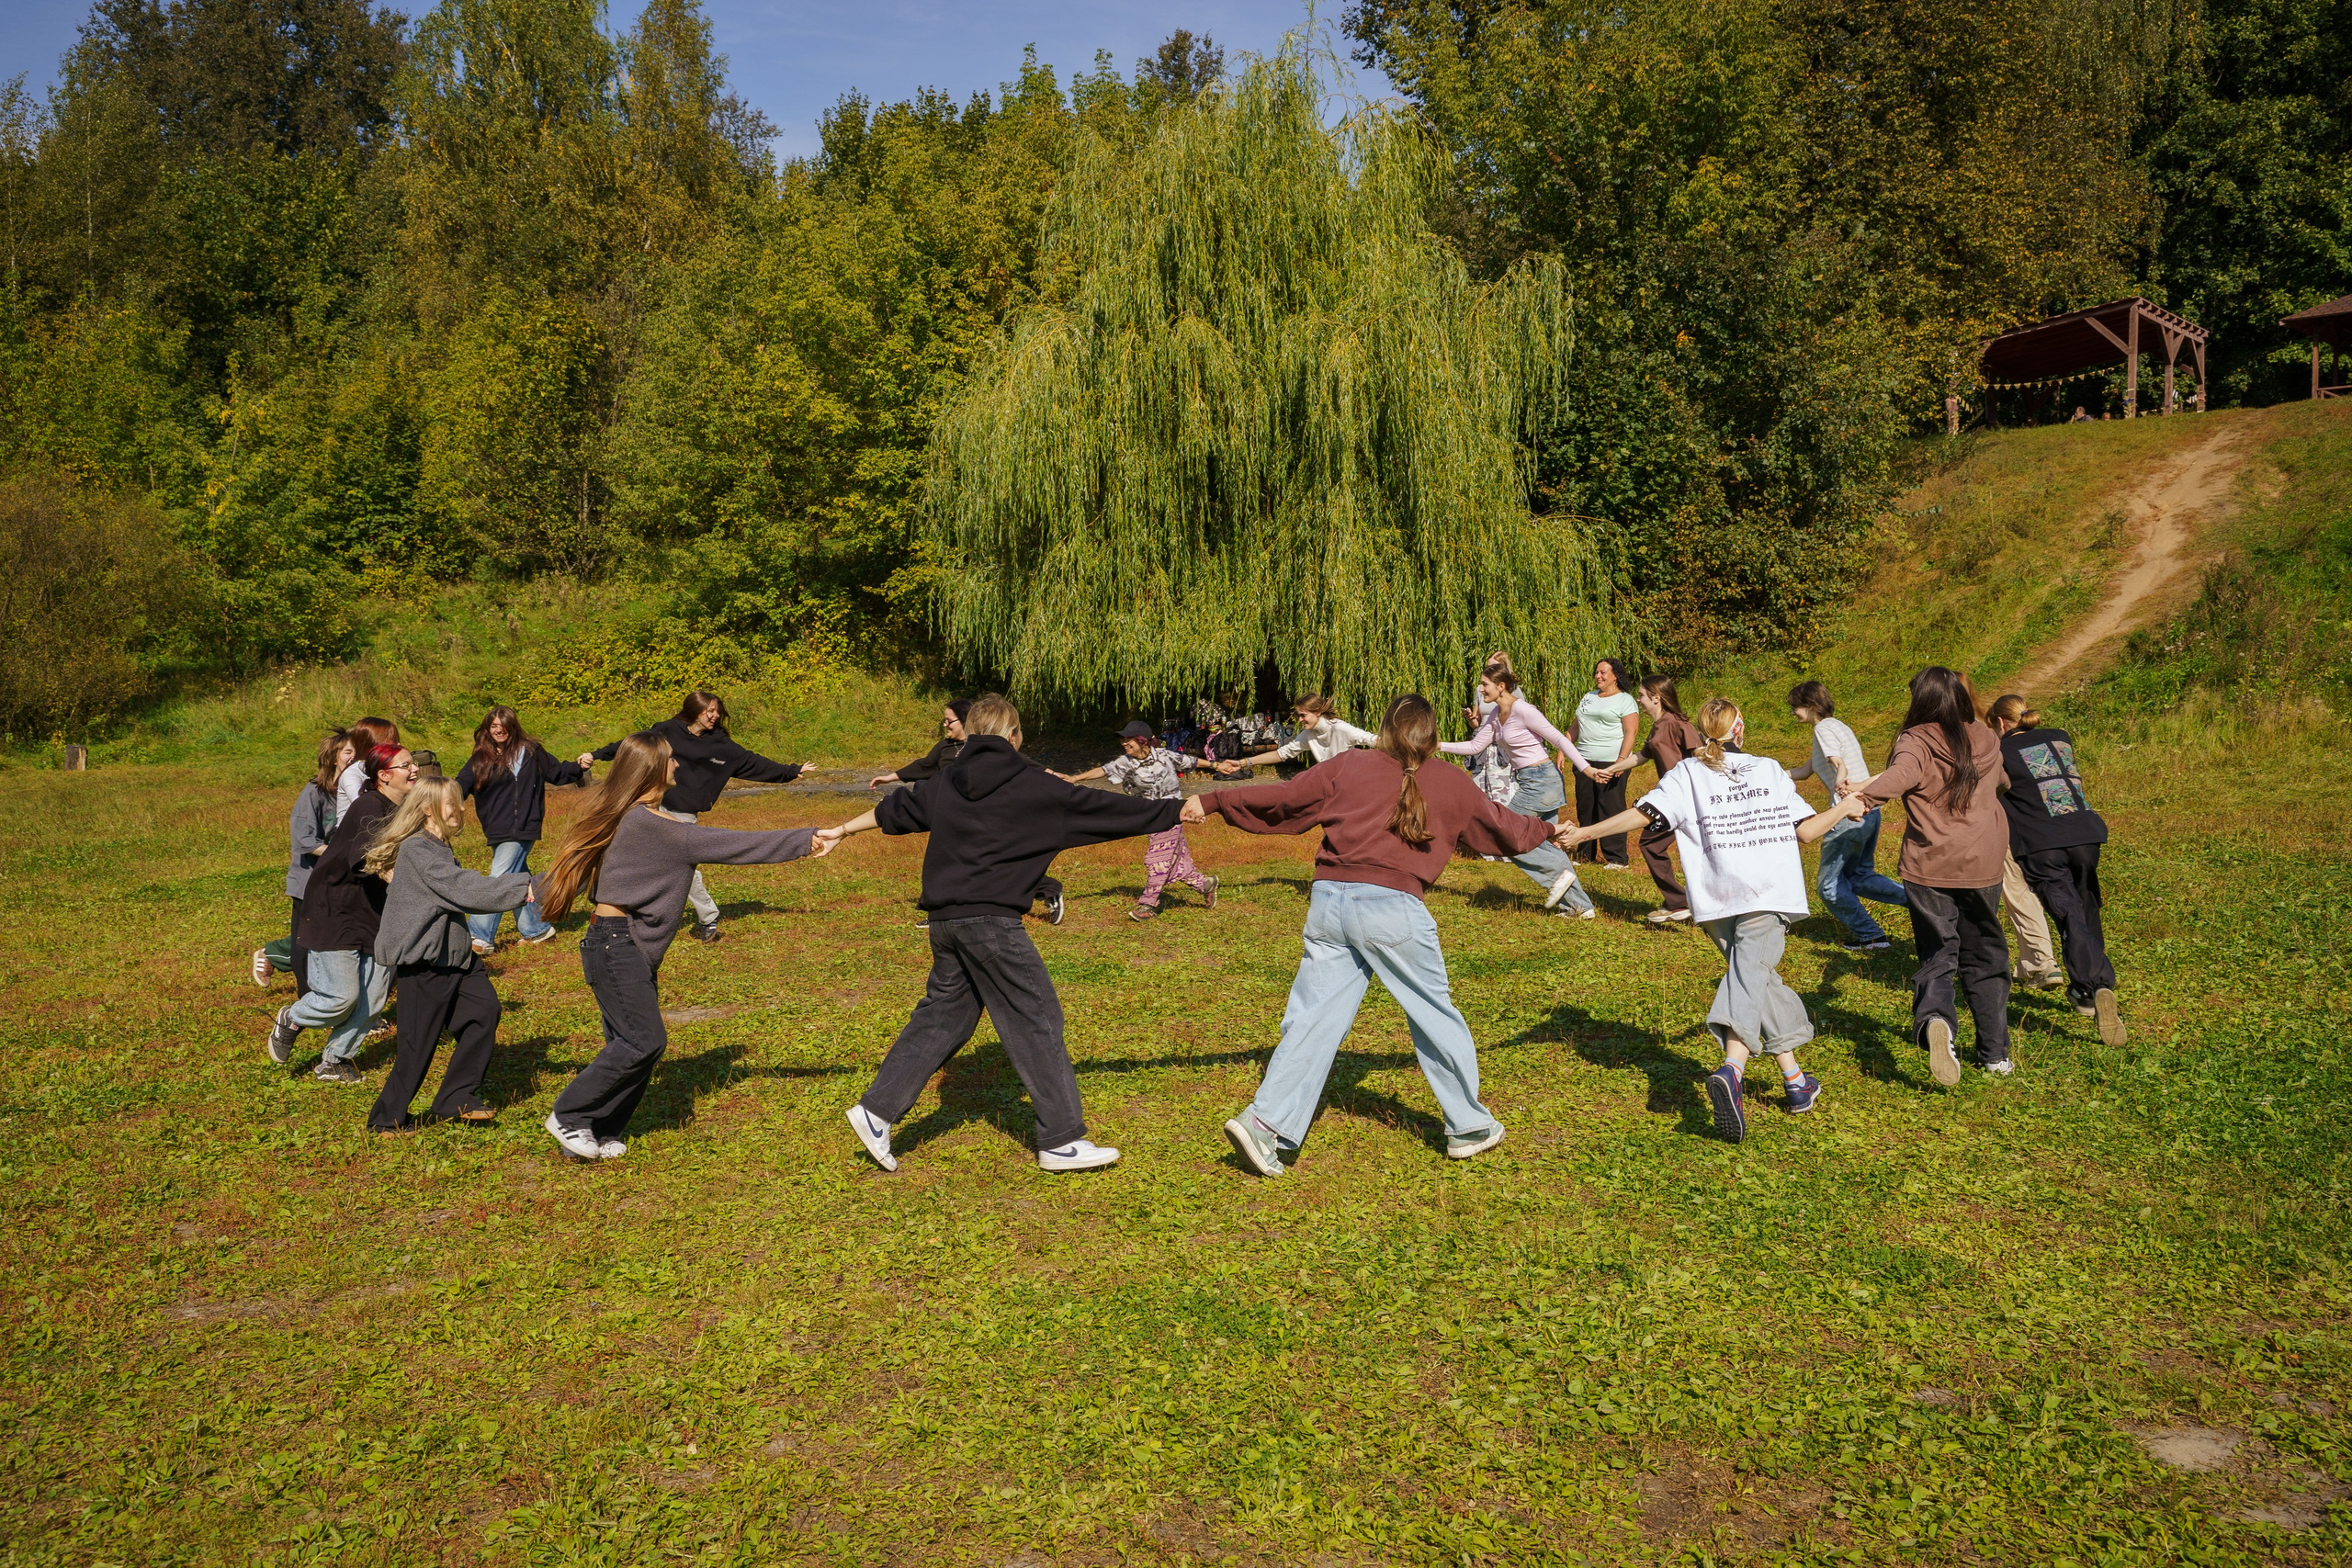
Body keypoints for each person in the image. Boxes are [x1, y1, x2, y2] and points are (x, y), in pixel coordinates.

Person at [1185, 694, 1554, 1175]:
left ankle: (1264, 1123)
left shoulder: (1349, 765)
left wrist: (1214, 799)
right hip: (1393, 911)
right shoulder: (1450, 780)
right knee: (1434, 1014)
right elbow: (1503, 828)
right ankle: (1468, 1126)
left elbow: (1285, 798)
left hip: (1328, 905)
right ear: (1432, 735)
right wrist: (1551, 830)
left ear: (1385, 729)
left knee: (1313, 1018)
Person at [820, 695, 1183, 1175]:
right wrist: (1182, 809)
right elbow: (1108, 810)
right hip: (991, 926)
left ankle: (876, 1111)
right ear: (1015, 736)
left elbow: (895, 810)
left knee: (945, 1018)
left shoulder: (946, 779)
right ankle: (1061, 1140)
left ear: (970, 734)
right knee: (1035, 1017)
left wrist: (841, 830)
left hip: (945, 923)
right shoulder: (1035, 785)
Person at [1566, 697, 1854, 1142]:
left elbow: (1642, 815)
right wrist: (1846, 807)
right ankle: (1732, 1070)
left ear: (1703, 733)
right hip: (1765, 894)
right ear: (1740, 728)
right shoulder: (1768, 770)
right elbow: (1807, 831)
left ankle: (1796, 1082)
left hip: (1717, 901)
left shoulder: (1686, 773)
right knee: (1751, 979)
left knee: (1755, 980)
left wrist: (1586, 832)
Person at [537, 734, 829, 1161]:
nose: (678, 765)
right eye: (671, 760)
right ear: (653, 769)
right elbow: (735, 845)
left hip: (623, 944)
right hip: (616, 944)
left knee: (627, 1041)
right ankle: (569, 1115)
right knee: (643, 1042)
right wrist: (805, 839)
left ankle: (596, 1131)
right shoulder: (655, 827)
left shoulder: (632, 816)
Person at [1820, 667, 2013, 1086]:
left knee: (1939, 952)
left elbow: (1901, 777)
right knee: (1986, 954)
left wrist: (1863, 798)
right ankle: (1995, 1054)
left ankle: (1937, 1021)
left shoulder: (1916, 740)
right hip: (1983, 864)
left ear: (1921, 699)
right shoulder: (1985, 736)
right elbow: (2002, 783)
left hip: (1930, 867)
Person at [363, 777, 539, 1131]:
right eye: (451, 802)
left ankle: (455, 1098)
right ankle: (385, 1120)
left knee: (483, 1012)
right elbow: (464, 890)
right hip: (427, 963)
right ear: (427, 809)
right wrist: (524, 885)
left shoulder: (437, 845)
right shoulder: (418, 849)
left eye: (459, 801)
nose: (460, 808)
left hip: (457, 957)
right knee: (416, 1047)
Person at [580, 692, 814, 946]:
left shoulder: (721, 745)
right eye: (710, 711)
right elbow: (635, 747)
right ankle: (603, 902)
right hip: (649, 806)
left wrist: (790, 771)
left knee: (680, 867)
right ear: (694, 711)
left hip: (681, 813)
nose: (715, 716)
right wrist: (598, 754)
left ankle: (708, 917)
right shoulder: (668, 730)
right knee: (614, 850)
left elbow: (752, 762)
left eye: (717, 711)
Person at [268, 743, 420, 1082]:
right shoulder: (370, 805)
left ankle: (335, 1060)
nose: (414, 770)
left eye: (413, 764)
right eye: (406, 765)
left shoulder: (405, 808)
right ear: (384, 776)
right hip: (336, 908)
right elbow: (366, 857)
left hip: (377, 910)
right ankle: (293, 1017)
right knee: (341, 996)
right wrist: (399, 877)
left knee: (374, 997)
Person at [1986, 694, 2125, 1046]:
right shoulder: (2060, 737)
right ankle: (2085, 989)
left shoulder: (1999, 751)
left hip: (2042, 844)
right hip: (2085, 836)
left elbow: (1993, 789)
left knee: (2068, 916)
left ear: (2000, 723)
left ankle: (2096, 986)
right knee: (2086, 907)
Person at [870, 700, 1065, 925]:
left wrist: (1053, 775)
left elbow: (1024, 763)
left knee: (997, 864)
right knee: (948, 861)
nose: (945, 725)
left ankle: (1049, 889)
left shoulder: (984, 749)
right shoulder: (944, 747)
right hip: (955, 816)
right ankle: (940, 912)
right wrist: (890, 777)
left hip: (987, 817)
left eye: (949, 720)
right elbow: (924, 766)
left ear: (964, 721)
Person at [1435, 654, 1592, 918]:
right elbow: (1474, 746)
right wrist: (1437, 745)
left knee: (1507, 835)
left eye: (1485, 684)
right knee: (1542, 841)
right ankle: (1580, 907)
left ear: (1501, 687)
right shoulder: (1497, 714)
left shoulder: (1524, 710)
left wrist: (1587, 769)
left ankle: (1556, 875)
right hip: (1532, 781)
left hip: (1541, 781)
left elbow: (1559, 739)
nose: (1480, 689)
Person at [1786, 680, 1911, 953]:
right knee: (1858, 876)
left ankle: (1871, 936)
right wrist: (1763, 773)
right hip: (1869, 810)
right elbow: (1804, 772)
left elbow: (1838, 763)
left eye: (1795, 706)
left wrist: (1841, 783)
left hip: (1848, 815)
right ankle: (1920, 902)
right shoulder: (1837, 726)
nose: (1793, 712)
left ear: (1810, 705)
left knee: (1828, 886)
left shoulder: (1823, 729)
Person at [1054, 721, 1220, 922]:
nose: (1124, 743)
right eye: (1123, 740)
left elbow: (1190, 762)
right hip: (1150, 815)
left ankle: (1148, 905)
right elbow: (1104, 770)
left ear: (1143, 741)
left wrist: (1216, 765)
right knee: (1176, 861)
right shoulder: (1126, 762)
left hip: (1174, 813)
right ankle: (1205, 885)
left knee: (1157, 859)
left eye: (1129, 739)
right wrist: (1075, 778)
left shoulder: (1164, 756)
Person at [456, 705, 588, 955]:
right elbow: (461, 783)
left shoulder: (530, 752)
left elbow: (557, 772)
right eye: (493, 726)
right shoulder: (481, 756)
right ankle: (536, 929)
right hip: (495, 827)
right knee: (516, 878)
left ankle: (479, 936)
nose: (498, 730)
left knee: (498, 880)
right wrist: (444, 798)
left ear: (512, 726)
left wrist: (579, 766)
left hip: (523, 825)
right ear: (488, 729)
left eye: (503, 726)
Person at [254, 731, 350, 991]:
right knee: (305, 941)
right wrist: (340, 854)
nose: (354, 758)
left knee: (332, 934)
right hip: (309, 881)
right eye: (348, 752)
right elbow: (303, 840)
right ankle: (305, 995)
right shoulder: (314, 792)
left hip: (339, 879)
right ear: (333, 758)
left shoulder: (353, 792)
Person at [1625, 677, 1704, 926]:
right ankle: (1680, 902)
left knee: (1652, 844)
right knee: (1654, 845)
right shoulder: (1658, 725)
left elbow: (1700, 753)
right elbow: (1642, 755)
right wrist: (1611, 769)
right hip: (1671, 798)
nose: (1638, 699)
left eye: (1641, 695)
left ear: (1656, 697)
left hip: (1687, 799)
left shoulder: (1677, 722)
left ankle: (1680, 902)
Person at [1571, 659, 1642, 867]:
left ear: (1615, 676)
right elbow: (1576, 725)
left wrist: (1621, 761)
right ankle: (1585, 855)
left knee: (1611, 808)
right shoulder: (1589, 697)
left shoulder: (1625, 700)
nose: (1598, 676)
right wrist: (1564, 748)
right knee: (1586, 808)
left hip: (1611, 761)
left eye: (1603, 672)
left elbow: (1631, 732)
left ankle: (1617, 859)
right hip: (1584, 761)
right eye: (1596, 672)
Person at [1216, 695, 1377, 775]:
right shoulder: (1308, 734)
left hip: (1350, 785)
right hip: (1329, 785)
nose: (1300, 720)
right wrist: (1243, 763)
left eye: (1303, 715)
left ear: (1318, 712)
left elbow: (1374, 740)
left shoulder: (1340, 728)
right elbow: (1281, 754)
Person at [334, 716, 399, 816]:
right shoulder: (352, 774)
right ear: (374, 744)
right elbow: (364, 805)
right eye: (393, 743)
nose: (398, 745)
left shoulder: (388, 768)